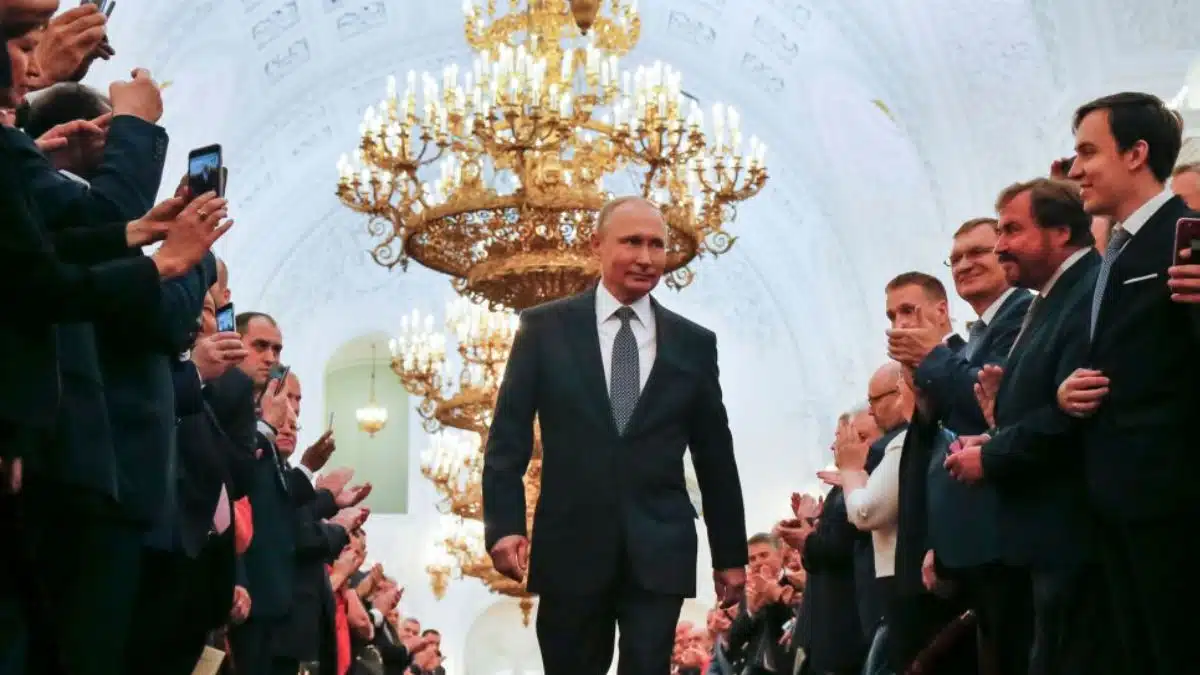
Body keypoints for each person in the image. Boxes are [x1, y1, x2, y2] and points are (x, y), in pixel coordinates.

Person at [483, 196, 749, 675]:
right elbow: (508, 436)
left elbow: (714, 456)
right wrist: (504, 525)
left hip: (660, 547)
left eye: (656, 245)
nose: (646, 257)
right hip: (570, 544)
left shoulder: (694, 343)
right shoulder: (543, 329)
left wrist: (730, 554)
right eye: (632, 242)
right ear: (597, 245)